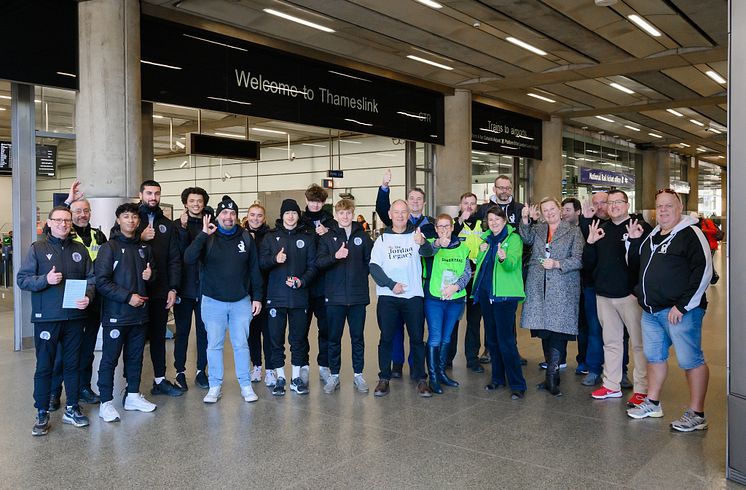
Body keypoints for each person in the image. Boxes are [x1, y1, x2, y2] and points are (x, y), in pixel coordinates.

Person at [626, 189, 713, 432]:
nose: (663, 210)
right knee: (654, 357)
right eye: (659, 206)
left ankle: (697, 414)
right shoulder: (654, 233)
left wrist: (683, 305)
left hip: (679, 312)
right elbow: (642, 266)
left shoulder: (691, 233)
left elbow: (704, 272)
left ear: (679, 207)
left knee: (691, 360)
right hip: (651, 311)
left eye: (668, 206)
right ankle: (652, 403)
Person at [17, 206, 95, 435]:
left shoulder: (79, 249)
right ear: (49, 223)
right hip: (47, 318)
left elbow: (91, 279)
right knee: (45, 366)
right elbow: (23, 279)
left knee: (72, 365)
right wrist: (45, 279)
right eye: (58, 220)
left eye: (67, 221)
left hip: (74, 317)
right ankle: (42, 411)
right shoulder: (37, 249)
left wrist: (88, 298)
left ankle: (72, 408)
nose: (63, 224)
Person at [184, 195, 264, 404]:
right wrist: (202, 234)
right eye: (224, 213)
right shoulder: (208, 237)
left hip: (240, 301)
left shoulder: (246, 237)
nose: (228, 217)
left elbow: (254, 269)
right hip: (212, 301)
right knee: (214, 345)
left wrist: (257, 297)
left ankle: (245, 385)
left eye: (232, 213)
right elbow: (188, 258)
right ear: (217, 216)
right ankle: (215, 386)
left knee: (241, 345)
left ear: (237, 216)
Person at [585, 190, 651, 407]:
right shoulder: (601, 230)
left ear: (627, 203)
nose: (613, 206)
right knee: (611, 342)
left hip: (630, 296)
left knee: (639, 344)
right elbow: (589, 264)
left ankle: (642, 389)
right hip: (604, 295)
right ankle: (611, 385)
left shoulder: (639, 227)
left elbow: (648, 262)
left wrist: (637, 289)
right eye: (610, 203)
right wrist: (591, 243)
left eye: (617, 202)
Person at [95, 203, 158, 422]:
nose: (130, 220)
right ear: (118, 220)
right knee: (109, 360)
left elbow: (153, 277)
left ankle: (132, 395)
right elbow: (101, 282)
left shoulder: (145, 249)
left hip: (139, 315)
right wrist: (127, 297)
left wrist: (151, 277)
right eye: (126, 216)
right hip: (116, 315)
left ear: (139, 222)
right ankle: (105, 402)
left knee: (135, 358)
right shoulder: (109, 248)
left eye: (134, 217)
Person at [49, 180, 108, 408]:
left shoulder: (98, 236)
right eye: (77, 211)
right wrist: (68, 200)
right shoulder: (62, 232)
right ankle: (55, 392)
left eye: (86, 211)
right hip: (67, 298)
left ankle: (84, 387)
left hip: (92, 297)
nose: (82, 215)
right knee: (63, 350)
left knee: (87, 348)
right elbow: (50, 226)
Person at [369, 199, 435, 398]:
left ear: (408, 214)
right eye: (396, 212)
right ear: (390, 214)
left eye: (403, 212)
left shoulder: (417, 234)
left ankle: (421, 378)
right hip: (389, 296)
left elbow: (429, 253)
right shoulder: (382, 239)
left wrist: (423, 243)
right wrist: (391, 284)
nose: (399, 216)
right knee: (386, 338)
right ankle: (384, 378)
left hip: (413, 295)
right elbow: (373, 267)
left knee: (416, 338)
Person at [520, 197, 584, 396]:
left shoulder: (573, 231)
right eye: (545, 210)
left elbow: (579, 260)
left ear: (559, 209)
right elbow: (525, 238)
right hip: (539, 284)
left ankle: (552, 377)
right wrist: (524, 220)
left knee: (558, 330)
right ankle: (551, 374)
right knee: (543, 331)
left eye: (552, 209)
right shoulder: (538, 229)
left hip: (562, 286)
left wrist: (557, 264)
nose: (549, 213)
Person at [259, 199, 316, 396]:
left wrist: (301, 281)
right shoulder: (270, 237)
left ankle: (296, 377)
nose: (290, 216)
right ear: (281, 215)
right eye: (287, 213)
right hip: (276, 298)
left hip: (299, 298)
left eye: (294, 213)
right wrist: (275, 259)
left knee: (298, 339)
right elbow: (261, 263)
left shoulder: (307, 238)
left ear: (298, 215)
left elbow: (313, 267)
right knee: (275, 340)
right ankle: (280, 377)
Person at [316, 199, 374, 393]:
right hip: (334, 297)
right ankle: (334, 376)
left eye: (348, 213)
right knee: (334, 338)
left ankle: (358, 374)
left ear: (353, 213)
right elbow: (319, 263)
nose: (345, 216)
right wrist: (335, 257)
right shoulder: (327, 237)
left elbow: (370, 262)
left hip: (358, 297)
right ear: (336, 215)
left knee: (357, 337)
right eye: (341, 213)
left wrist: (358, 277)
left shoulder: (363, 237)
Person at [578, 191, 631, 388]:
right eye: (599, 203)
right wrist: (586, 222)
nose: (601, 206)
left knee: (621, 334)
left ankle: (621, 371)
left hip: (625, 291)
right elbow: (587, 258)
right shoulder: (590, 224)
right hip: (595, 288)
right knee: (595, 329)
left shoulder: (634, 227)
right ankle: (594, 369)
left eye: (605, 202)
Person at [472, 206, 526, 399]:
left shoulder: (513, 239)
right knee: (492, 341)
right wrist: (481, 251)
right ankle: (497, 378)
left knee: (506, 342)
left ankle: (518, 384)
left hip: (504, 297)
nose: (493, 223)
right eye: (491, 220)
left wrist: (503, 258)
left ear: (504, 221)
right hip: (487, 295)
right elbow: (480, 264)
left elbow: (512, 264)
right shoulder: (486, 240)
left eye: (497, 219)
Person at [136, 180, 183, 397]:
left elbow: (175, 259)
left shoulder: (168, 225)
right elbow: (116, 241)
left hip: (160, 290)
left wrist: (173, 288)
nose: (153, 197)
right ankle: (132, 385)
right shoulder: (131, 217)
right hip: (134, 291)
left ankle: (160, 380)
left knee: (157, 337)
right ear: (141, 194)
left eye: (156, 193)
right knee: (135, 339)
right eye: (149, 193)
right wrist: (140, 237)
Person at [475, 175, 528, 365]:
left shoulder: (521, 209)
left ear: (511, 188)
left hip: (509, 272)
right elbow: (472, 228)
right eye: (500, 187)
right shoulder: (483, 209)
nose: (504, 191)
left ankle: (512, 352)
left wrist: (530, 220)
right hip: (488, 276)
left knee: (506, 320)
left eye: (507, 187)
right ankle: (489, 350)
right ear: (494, 189)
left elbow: (527, 236)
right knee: (489, 320)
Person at [422, 214, 471, 394]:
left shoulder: (463, 248)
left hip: (455, 299)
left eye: (446, 226)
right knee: (435, 337)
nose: (443, 229)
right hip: (434, 299)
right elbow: (426, 251)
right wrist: (436, 244)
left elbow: (467, 272)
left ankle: (442, 372)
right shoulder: (431, 245)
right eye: (440, 226)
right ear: (436, 229)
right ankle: (433, 376)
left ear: (452, 227)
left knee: (447, 338)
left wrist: (456, 287)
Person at [173, 186, 211, 390]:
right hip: (184, 288)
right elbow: (179, 255)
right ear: (185, 204)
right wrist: (182, 228)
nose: (196, 204)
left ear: (204, 203)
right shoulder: (177, 225)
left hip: (206, 289)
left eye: (199, 201)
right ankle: (180, 371)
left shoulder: (211, 225)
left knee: (204, 332)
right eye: (192, 201)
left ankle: (201, 371)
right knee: (182, 332)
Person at [299, 184, 336, 386]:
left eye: (319, 201)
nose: (315, 204)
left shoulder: (330, 222)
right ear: (306, 200)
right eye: (312, 200)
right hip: (304, 284)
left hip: (324, 285)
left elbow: (337, 247)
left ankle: (324, 365)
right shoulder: (298, 220)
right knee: (301, 329)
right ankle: (303, 365)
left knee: (326, 328)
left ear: (323, 202)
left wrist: (327, 234)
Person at [449, 192, 487, 373]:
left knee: (474, 320)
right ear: (460, 204)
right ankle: (447, 358)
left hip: (476, 279)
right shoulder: (454, 224)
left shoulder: (483, 224)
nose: (469, 207)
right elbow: (448, 240)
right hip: (457, 280)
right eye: (466, 203)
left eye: (473, 204)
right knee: (454, 319)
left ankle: (472, 359)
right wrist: (458, 222)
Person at [244, 203, 273, 386]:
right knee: (252, 333)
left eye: (259, 215)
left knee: (269, 333)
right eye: (252, 215)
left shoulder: (270, 237)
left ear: (264, 218)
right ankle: (256, 365)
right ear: (247, 216)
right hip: (246, 292)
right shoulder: (240, 235)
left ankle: (270, 369)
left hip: (268, 290)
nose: (256, 218)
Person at [698, 213, 721, 284]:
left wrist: (704, 230)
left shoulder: (707, 222)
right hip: (705, 245)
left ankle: (714, 276)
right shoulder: (700, 224)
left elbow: (714, 231)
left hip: (711, 245)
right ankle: (713, 276)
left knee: (708, 261)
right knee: (708, 261)